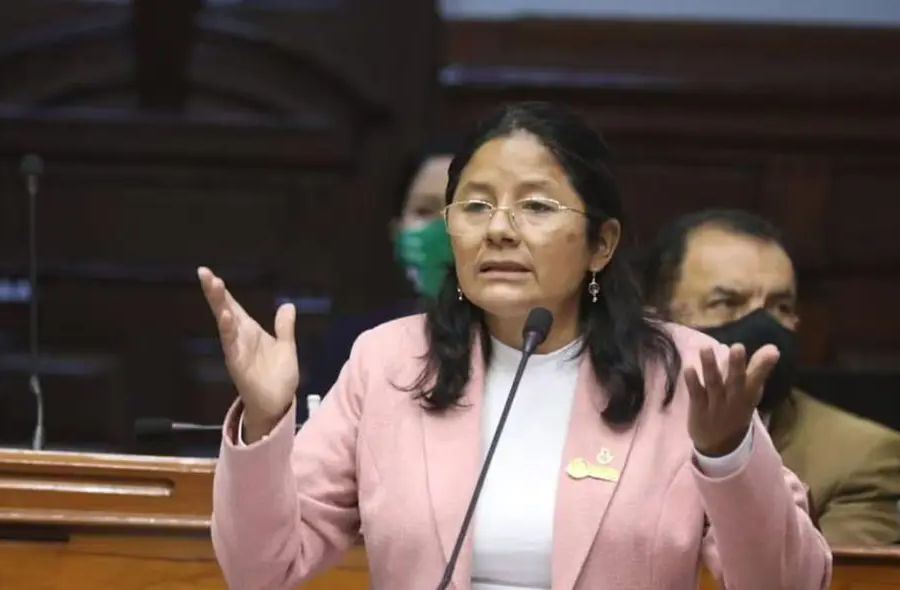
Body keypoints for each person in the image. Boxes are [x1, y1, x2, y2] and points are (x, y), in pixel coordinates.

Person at [200, 102, 831, 590]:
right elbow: (265, 572)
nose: (498, 229)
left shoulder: (686, 371)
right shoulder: (388, 363)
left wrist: (726, 456)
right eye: (474, 206)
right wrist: (263, 418)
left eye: (535, 206)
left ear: (601, 244)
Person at [641, 208, 900, 546]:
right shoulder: (602, 427)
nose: (762, 325)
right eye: (726, 302)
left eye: (781, 306)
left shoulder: (858, 457)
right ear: (657, 319)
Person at [303, 141, 456, 402]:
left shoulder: (526, 344)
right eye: (425, 211)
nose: (440, 231)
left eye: (461, 209)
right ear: (396, 229)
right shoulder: (353, 346)